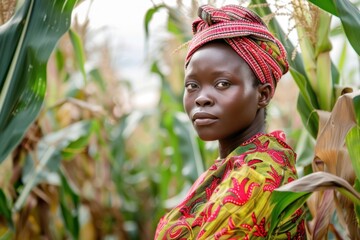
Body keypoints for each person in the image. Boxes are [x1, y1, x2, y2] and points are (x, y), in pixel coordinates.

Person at [155, 4, 305, 239]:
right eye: (192, 86)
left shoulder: (256, 177)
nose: (202, 98)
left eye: (222, 84)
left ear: (262, 95)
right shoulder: (232, 165)